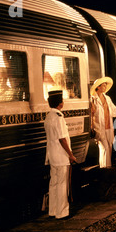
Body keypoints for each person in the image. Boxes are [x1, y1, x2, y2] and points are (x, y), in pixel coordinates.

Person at [44, 90, 77, 220]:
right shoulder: (59, 117)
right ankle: (62, 213)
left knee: (53, 184)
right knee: (62, 184)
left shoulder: (48, 117)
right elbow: (62, 139)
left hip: (51, 156)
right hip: (61, 156)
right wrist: (70, 155)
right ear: (60, 103)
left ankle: (52, 211)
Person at [91, 77, 116, 168]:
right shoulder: (93, 99)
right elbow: (92, 114)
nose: (105, 87)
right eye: (103, 85)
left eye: (105, 85)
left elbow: (114, 111)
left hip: (108, 127)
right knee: (105, 148)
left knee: (109, 148)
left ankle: (105, 169)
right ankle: (106, 170)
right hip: (99, 128)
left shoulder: (107, 98)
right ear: (98, 87)